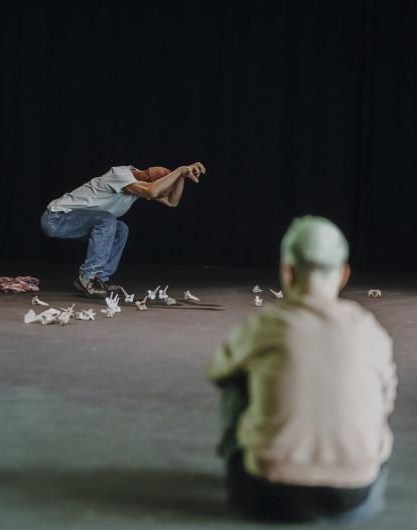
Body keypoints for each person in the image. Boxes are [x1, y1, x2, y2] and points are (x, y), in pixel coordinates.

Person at [209, 216, 396, 522]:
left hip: (268, 494)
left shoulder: (268, 324)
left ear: (287, 271)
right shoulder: (370, 329)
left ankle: (251, 460)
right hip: (355, 495)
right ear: (344, 275)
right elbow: (385, 404)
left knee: (236, 378)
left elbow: (218, 371)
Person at [41, 163, 205, 296]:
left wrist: (181, 177)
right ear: (149, 177)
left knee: (120, 229)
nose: (162, 192)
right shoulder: (120, 174)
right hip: (57, 218)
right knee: (106, 219)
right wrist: (179, 170)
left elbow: (172, 202)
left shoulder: (137, 188)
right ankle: (87, 277)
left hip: (76, 223)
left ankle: (98, 279)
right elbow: (152, 191)